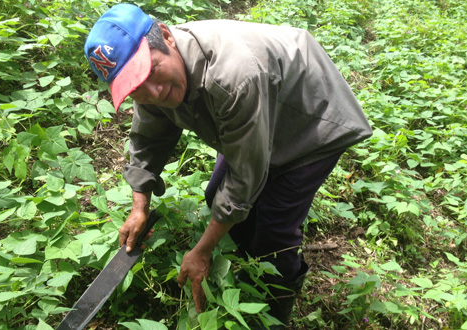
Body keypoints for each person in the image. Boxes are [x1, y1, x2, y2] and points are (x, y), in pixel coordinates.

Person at [84, 3, 372, 327]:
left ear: (166, 36)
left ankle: (275, 311)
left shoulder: (234, 74)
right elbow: (147, 139)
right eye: (136, 88)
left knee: (273, 234)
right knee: (215, 199)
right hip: (258, 109)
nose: (153, 92)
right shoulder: (152, 85)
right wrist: (139, 207)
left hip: (310, 120)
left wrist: (202, 251)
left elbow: (245, 179)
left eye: (152, 72)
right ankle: (245, 268)